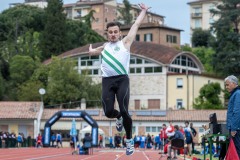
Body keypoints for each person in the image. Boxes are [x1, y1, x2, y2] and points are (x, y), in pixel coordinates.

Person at [89, 3, 150, 156]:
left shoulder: (126, 43)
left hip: (122, 80)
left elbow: (136, 24)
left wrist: (143, 11)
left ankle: (129, 141)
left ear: (119, 33)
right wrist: (91, 51)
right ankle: (118, 118)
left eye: (116, 32)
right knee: (108, 111)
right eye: (110, 32)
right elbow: (95, 52)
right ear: (107, 34)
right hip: (107, 81)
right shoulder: (105, 46)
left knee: (124, 110)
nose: (113, 34)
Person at [225, 75, 240, 158]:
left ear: (234, 83)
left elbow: (237, 112)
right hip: (235, 128)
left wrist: (234, 128)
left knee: (237, 151)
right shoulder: (234, 94)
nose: (226, 87)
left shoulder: (237, 94)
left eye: (227, 84)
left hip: (236, 129)